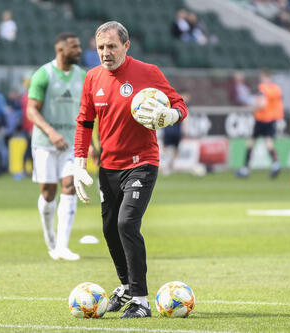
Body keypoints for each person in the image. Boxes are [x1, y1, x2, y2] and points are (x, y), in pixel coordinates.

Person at [73, 21, 188, 318]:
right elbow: (85, 122)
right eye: (100, 47)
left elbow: (180, 104)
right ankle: (125, 286)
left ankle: (141, 300)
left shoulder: (148, 72)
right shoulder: (92, 78)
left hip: (142, 162)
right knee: (110, 230)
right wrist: (78, 163)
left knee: (127, 224)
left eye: (111, 46)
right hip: (108, 166)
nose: (105, 52)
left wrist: (170, 114)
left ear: (126, 46)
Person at [26, 32, 85, 261]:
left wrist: (89, 143)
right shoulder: (44, 74)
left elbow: (85, 113)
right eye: (74, 46)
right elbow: (31, 110)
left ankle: (63, 246)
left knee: (70, 186)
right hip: (45, 144)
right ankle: (50, 237)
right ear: (60, 49)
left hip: (72, 144)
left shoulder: (83, 76)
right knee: (48, 193)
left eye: (79, 46)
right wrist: (51, 132)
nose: (79, 50)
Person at [236, 69, 284, 178]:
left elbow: (262, 104)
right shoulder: (276, 89)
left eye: (262, 77)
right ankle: (276, 163)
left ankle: (245, 169)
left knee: (250, 142)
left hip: (261, 118)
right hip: (272, 119)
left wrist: (253, 108)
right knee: (269, 143)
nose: (260, 79)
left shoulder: (263, 88)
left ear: (265, 77)